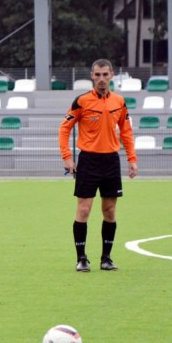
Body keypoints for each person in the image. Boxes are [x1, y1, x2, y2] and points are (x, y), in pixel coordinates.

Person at [59, 59, 138, 272]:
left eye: (105, 74)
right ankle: (81, 258)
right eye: (97, 75)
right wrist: (67, 157)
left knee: (109, 211)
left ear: (111, 75)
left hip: (111, 161)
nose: (101, 79)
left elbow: (126, 131)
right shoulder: (82, 101)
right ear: (92, 76)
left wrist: (132, 159)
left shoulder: (119, 102)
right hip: (88, 161)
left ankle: (106, 258)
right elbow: (64, 129)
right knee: (84, 209)